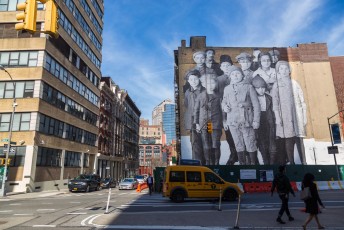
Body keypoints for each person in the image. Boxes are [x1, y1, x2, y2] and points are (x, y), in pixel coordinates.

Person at [221, 66, 260, 165]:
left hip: (247, 120)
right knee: (238, 144)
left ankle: (253, 165)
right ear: (230, 77)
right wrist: (225, 107)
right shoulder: (227, 89)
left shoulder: (249, 87)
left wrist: (256, 121)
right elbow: (223, 102)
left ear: (242, 75)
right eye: (233, 74)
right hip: (233, 121)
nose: (235, 76)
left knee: (250, 142)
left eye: (237, 73)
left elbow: (256, 105)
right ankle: (242, 165)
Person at [194, 73, 223, 165]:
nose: (211, 86)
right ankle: (208, 162)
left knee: (215, 144)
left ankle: (216, 162)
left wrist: (224, 122)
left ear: (216, 84)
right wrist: (197, 124)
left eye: (213, 83)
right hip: (204, 124)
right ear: (204, 85)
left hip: (215, 124)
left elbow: (222, 111)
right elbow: (196, 111)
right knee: (206, 145)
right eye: (208, 84)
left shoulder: (219, 96)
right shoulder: (200, 96)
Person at [217, 55, 238, 165]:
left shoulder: (237, 76)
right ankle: (233, 153)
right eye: (223, 65)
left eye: (228, 65)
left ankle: (241, 154)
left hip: (238, 110)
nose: (226, 67)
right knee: (229, 133)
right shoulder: (218, 80)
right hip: (225, 109)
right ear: (220, 67)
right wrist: (224, 118)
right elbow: (219, 99)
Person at [252, 75, 277, 165]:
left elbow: (273, 111)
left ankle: (272, 163)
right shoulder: (252, 99)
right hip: (259, 121)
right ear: (254, 89)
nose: (261, 90)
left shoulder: (269, 98)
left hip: (269, 121)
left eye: (262, 88)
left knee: (272, 143)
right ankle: (266, 162)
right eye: (258, 88)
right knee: (262, 143)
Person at [183, 69, 205, 163]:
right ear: (188, 81)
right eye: (191, 80)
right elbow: (187, 105)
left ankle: (207, 165)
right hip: (192, 122)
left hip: (205, 121)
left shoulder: (205, 91)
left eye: (195, 79)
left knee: (207, 143)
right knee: (195, 143)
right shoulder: (187, 92)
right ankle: (198, 164)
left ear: (199, 79)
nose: (193, 81)